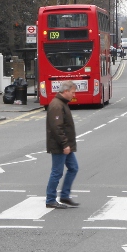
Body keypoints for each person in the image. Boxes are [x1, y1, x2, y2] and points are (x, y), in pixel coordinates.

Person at [45, 80, 79, 209]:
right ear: (65, 91)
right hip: (59, 145)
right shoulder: (57, 105)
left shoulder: (62, 103)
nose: (74, 95)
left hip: (66, 145)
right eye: (72, 92)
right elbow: (57, 128)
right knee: (57, 172)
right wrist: (65, 144)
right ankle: (50, 199)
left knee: (74, 168)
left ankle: (64, 195)